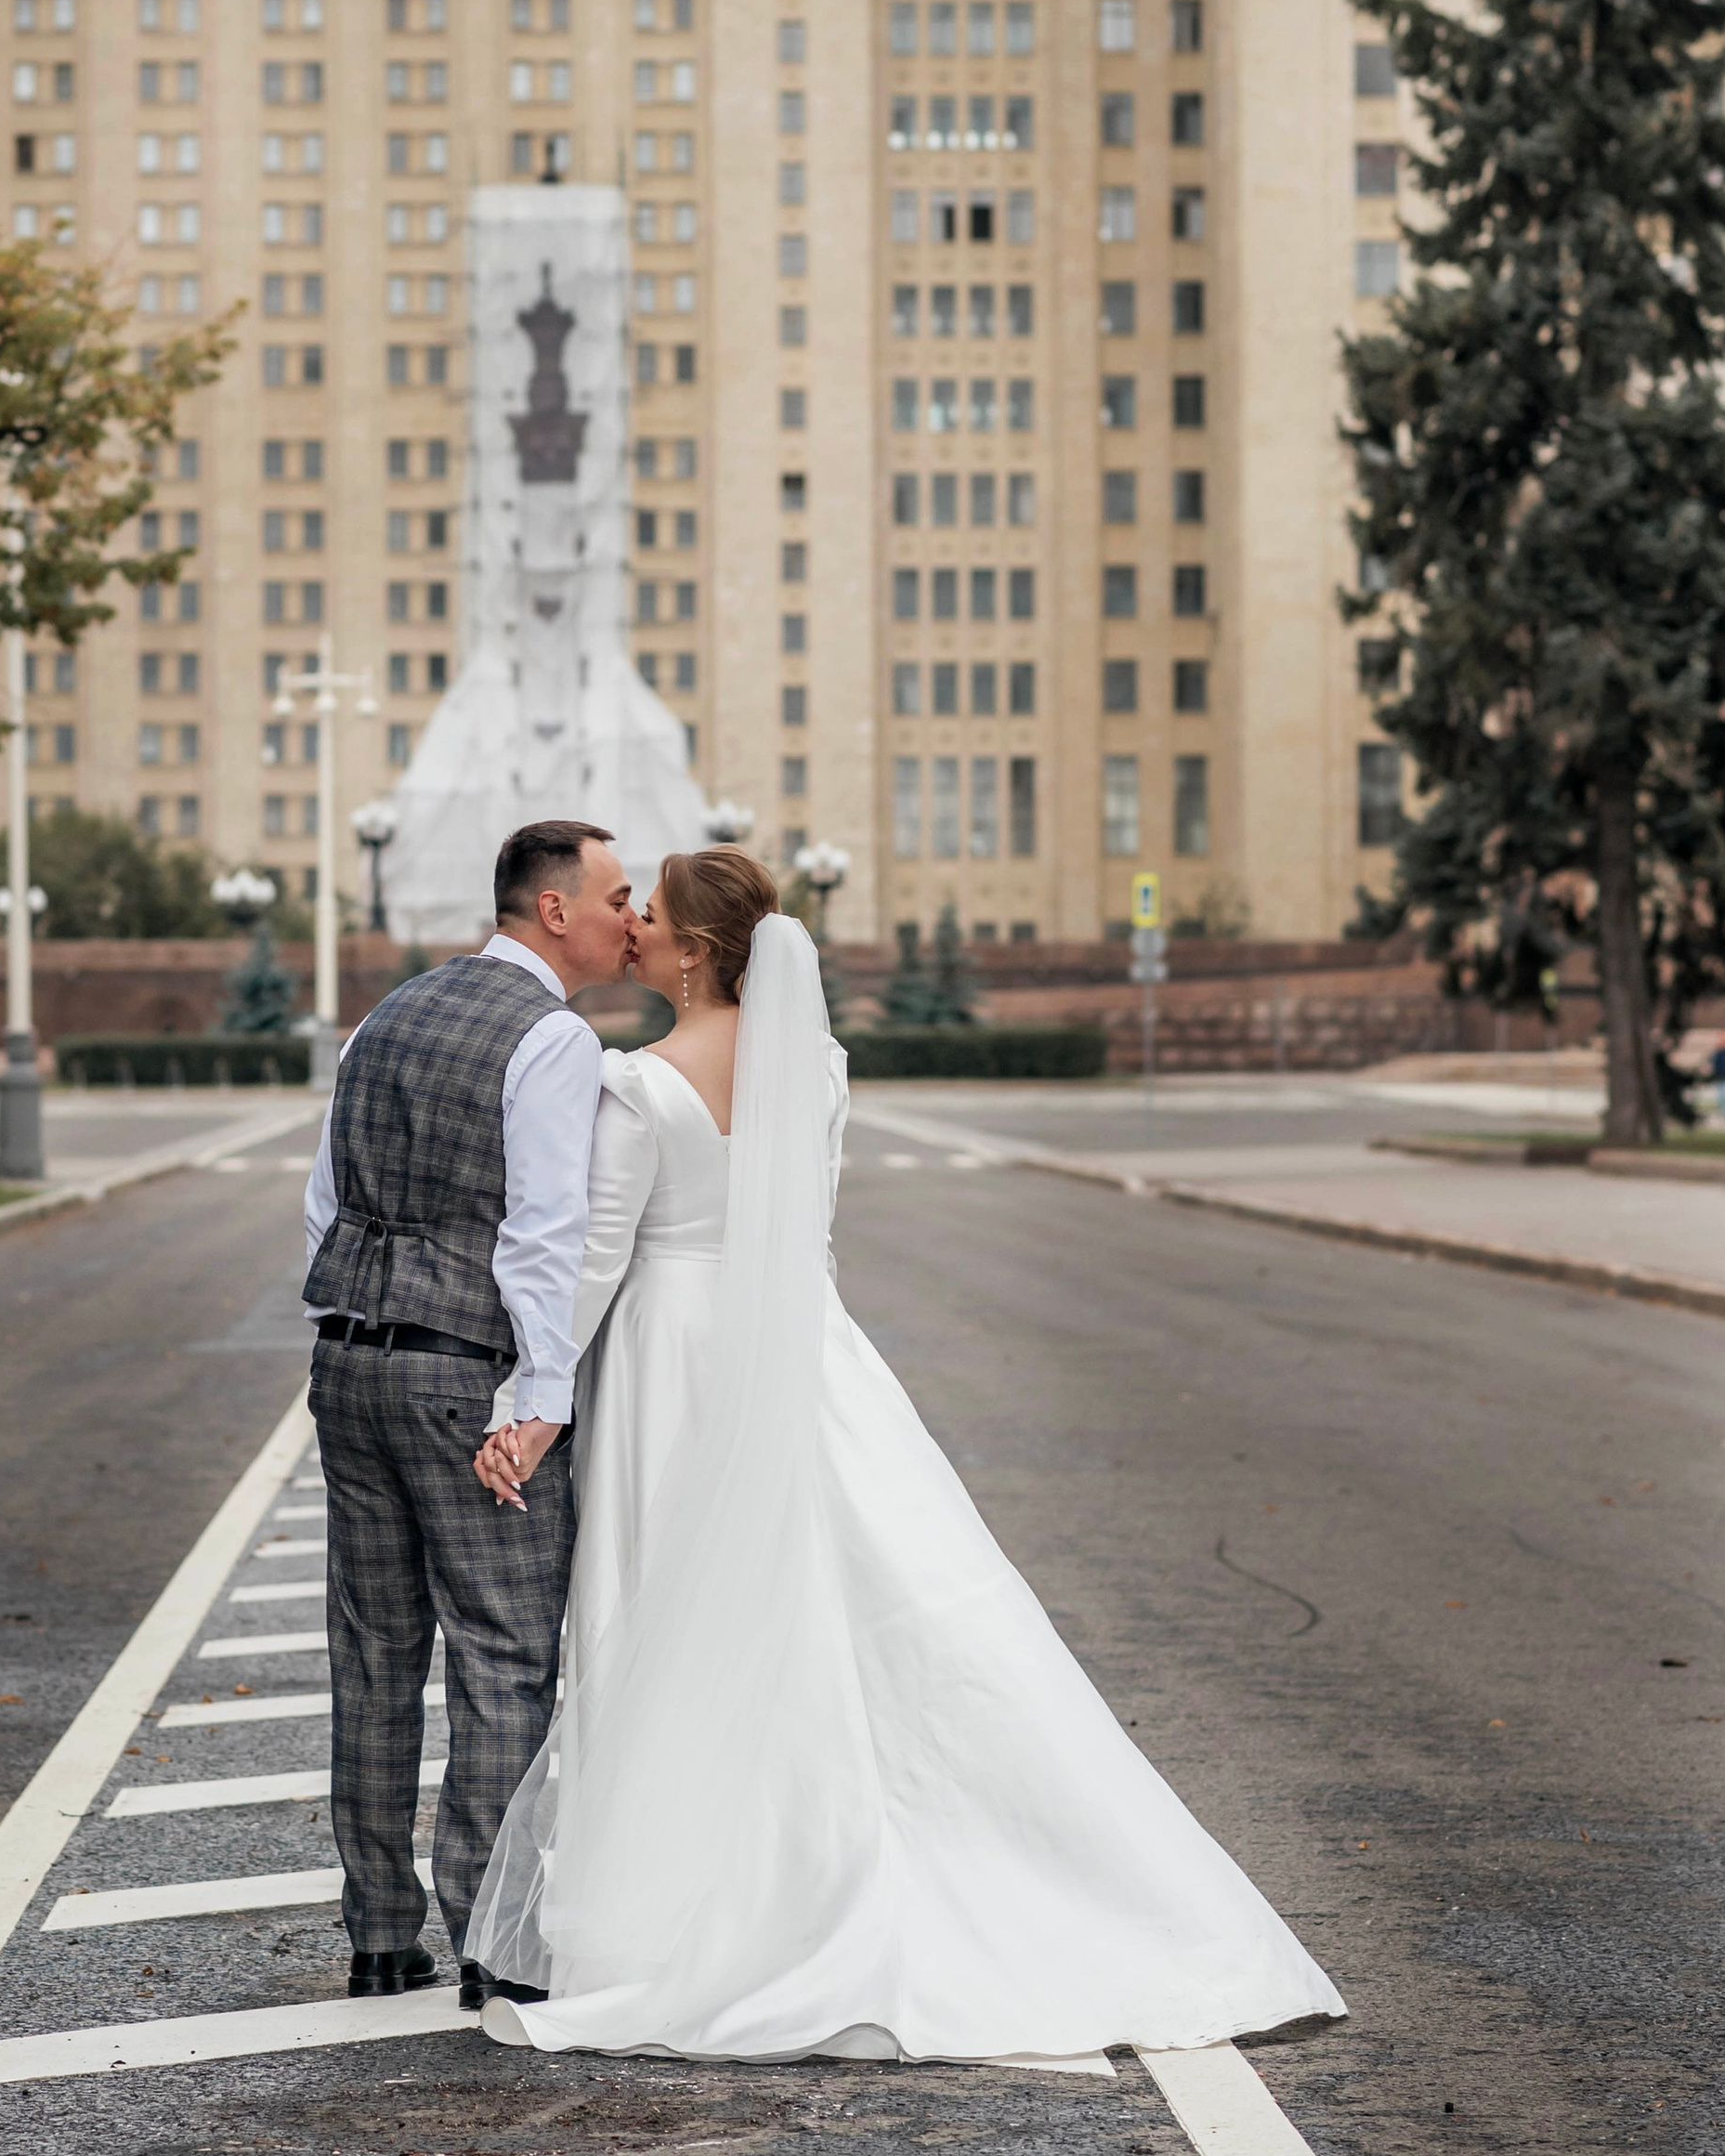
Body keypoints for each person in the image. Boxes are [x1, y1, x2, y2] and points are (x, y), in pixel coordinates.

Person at [465, 845, 1345, 2064]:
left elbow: (599, 1261)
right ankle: (851, 1849)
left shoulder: (639, 1084)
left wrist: (530, 1405)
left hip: (675, 1367)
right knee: (825, 1599)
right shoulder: (815, 1068)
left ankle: (691, 1894)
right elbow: (805, 1223)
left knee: (674, 1611)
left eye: (654, 919)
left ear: (700, 953)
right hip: (801, 1346)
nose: (638, 935)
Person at [302, 817, 636, 2007]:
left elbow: (324, 1200)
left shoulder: (383, 1016)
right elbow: (543, 1235)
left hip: (347, 1363)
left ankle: (380, 1933)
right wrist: (539, 1399)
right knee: (502, 1656)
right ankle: (490, 1940)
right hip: (463, 1380)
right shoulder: (548, 1037)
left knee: (373, 1652)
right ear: (552, 910)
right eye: (613, 895)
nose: (626, 917)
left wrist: (355, 1311)